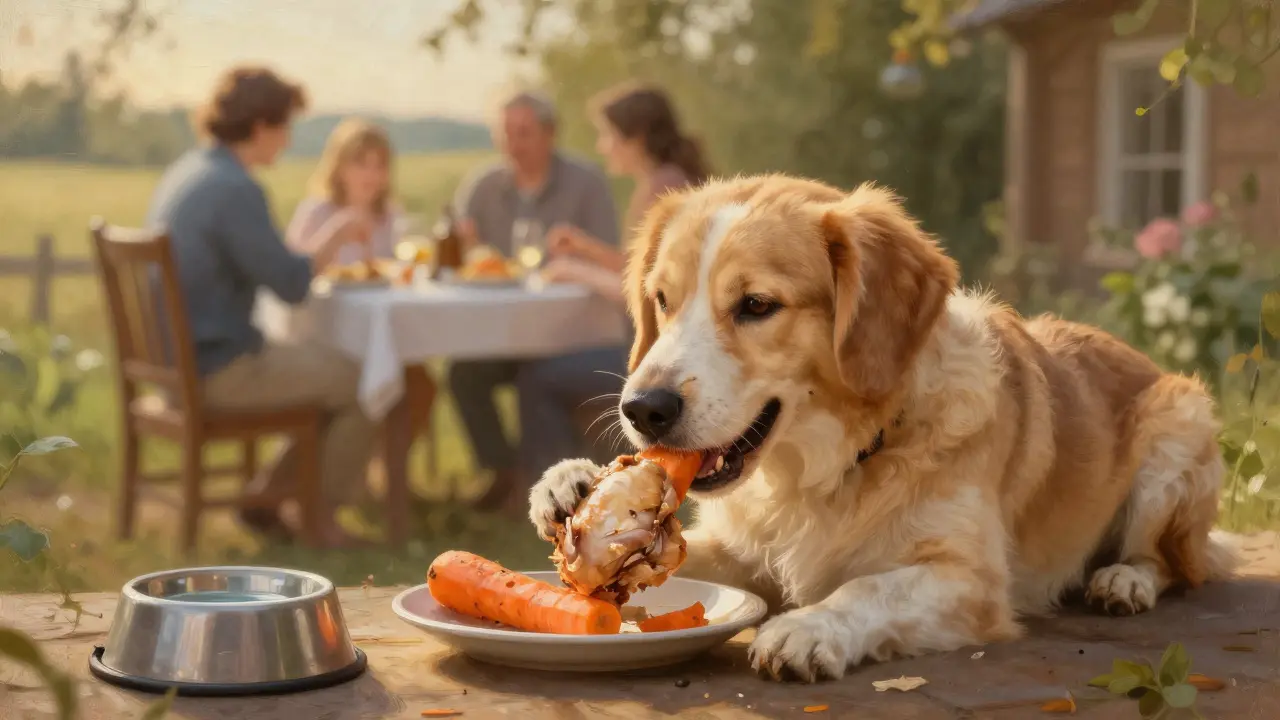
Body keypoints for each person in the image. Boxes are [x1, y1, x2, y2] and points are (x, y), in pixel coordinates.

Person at [145, 66, 375, 548]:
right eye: (285, 127)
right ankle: (320, 520)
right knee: (360, 379)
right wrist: (333, 236)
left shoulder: (189, 172)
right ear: (261, 126)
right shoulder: (235, 189)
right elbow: (291, 283)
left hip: (172, 368)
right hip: (217, 371)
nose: (288, 141)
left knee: (326, 370)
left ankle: (267, 497)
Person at [519, 82, 710, 500]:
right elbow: (642, 268)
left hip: (652, 354)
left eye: (609, 135)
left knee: (537, 379)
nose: (603, 146)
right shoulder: (666, 179)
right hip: (672, 348)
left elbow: (643, 295)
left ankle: (559, 494)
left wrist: (577, 271)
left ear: (635, 137)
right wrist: (586, 247)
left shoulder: (664, 187)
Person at [449, 90, 621, 512]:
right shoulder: (484, 186)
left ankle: (547, 486)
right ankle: (504, 471)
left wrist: (578, 253)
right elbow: (467, 255)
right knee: (463, 375)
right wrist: (465, 246)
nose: (514, 145)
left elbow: (611, 254)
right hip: (503, 330)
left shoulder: (586, 183)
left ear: (550, 134)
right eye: (506, 134)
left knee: (537, 374)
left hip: (569, 334)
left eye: (524, 133)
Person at [285, 118, 436, 494]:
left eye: (380, 165)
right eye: (360, 163)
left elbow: (397, 273)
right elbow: (293, 273)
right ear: (338, 167)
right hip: (328, 338)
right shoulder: (317, 213)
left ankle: (388, 473)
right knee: (368, 381)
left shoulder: (391, 218)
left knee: (421, 385)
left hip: (381, 336)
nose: (371, 174)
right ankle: (343, 478)